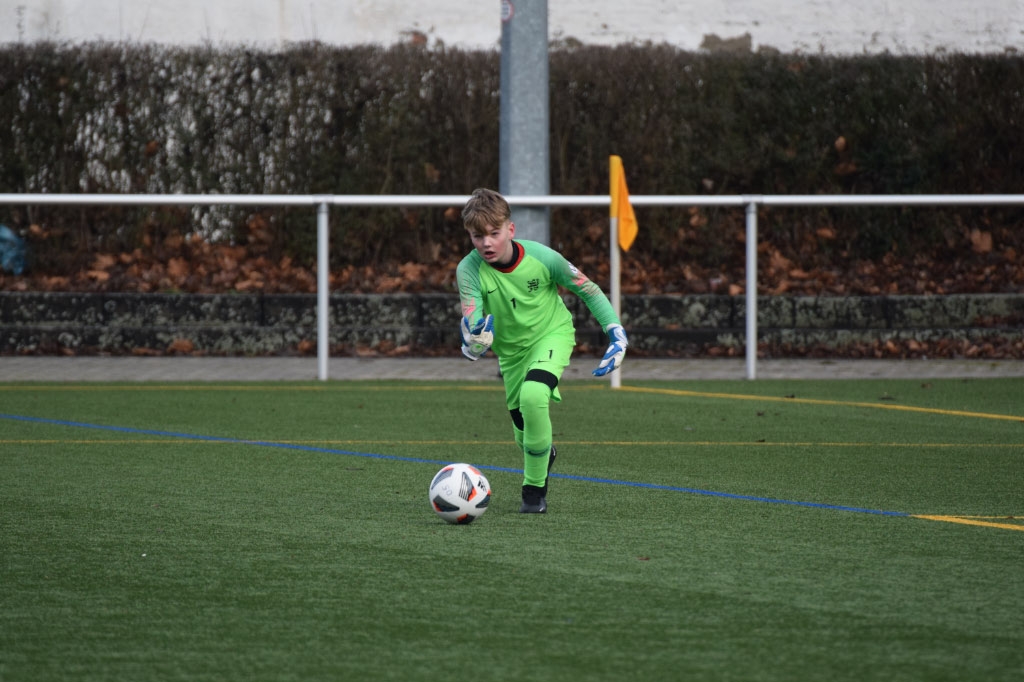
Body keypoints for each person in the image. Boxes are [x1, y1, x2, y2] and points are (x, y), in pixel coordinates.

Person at [456, 188, 628, 514]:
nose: (487, 243)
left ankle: (533, 492)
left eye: (494, 233)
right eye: (478, 236)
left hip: (552, 335)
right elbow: (472, 316)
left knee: (534, 395)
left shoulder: (543, 257)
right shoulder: (468, 269)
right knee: (525, 435)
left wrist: (616, 333)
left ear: (510, 229)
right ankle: (543, 452)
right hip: (511, 355)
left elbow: (588, 289)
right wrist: (474, 338)